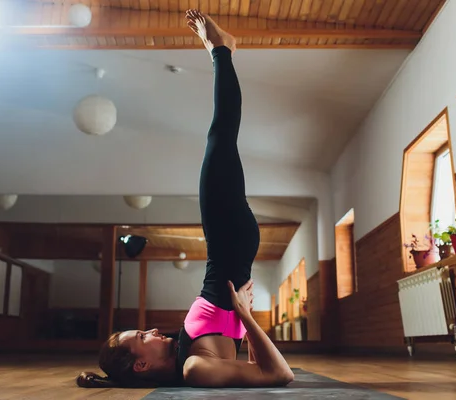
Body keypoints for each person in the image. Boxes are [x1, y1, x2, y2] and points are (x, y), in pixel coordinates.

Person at [77, 9, 294, 389]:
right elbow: (278, 374)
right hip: (228, 248)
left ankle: (223, 50)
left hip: (230, 250)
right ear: (141, 365)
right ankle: (221, 50)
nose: (153, 330)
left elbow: (258, 367)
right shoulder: (194, 368)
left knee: (222, 136)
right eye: (142, 337)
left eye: (143, 331)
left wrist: (244, 317)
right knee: (220, 135)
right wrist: (244, 316)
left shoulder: (188, 356)